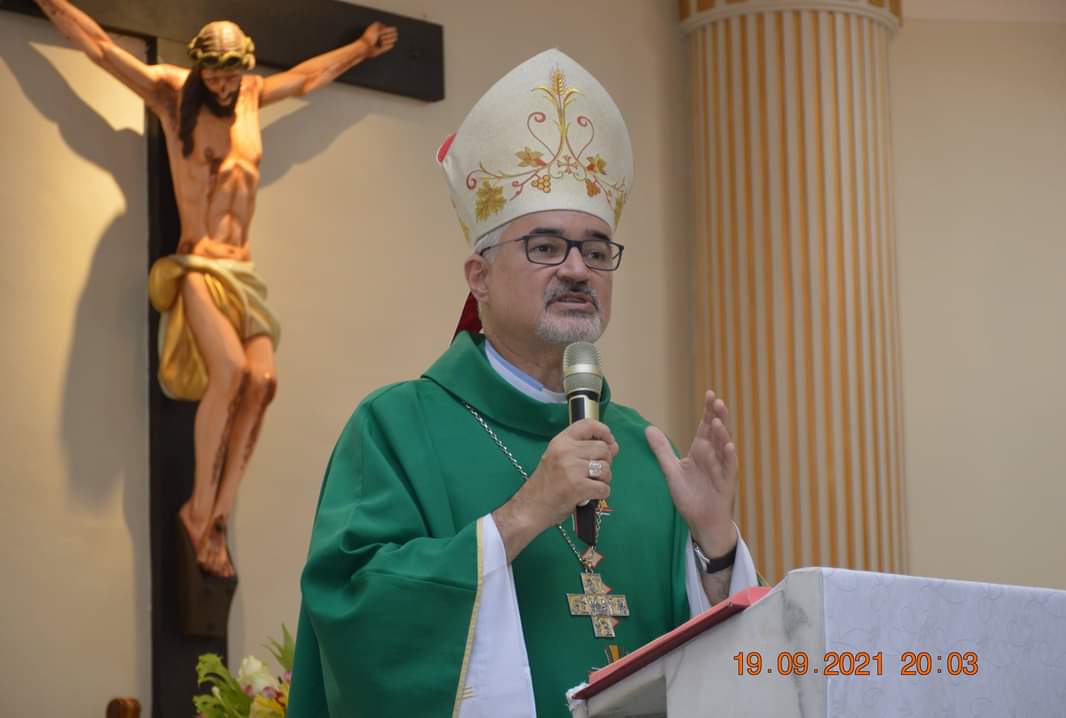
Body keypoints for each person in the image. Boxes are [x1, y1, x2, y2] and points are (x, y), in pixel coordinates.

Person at [289, 49, 763, 717]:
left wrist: (714, 547)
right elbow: (354, 619)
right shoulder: (396, 428)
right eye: (545, 246)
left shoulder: (643, 448)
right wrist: (520, 517)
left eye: (596, 250)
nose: (577, 269)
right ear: (478, 277)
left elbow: (731, 671)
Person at [32, 0, 398, 577]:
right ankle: (198, 508)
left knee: (263, 383)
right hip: (197, 266)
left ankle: (218, 515)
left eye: (233, 74)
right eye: (216, 75)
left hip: (242, 274)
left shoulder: (251, 96)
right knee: (229, 372)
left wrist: (361, 48)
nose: (225, 86)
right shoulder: (170, 94)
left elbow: (306, 79)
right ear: (199, 67)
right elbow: (99, 48)